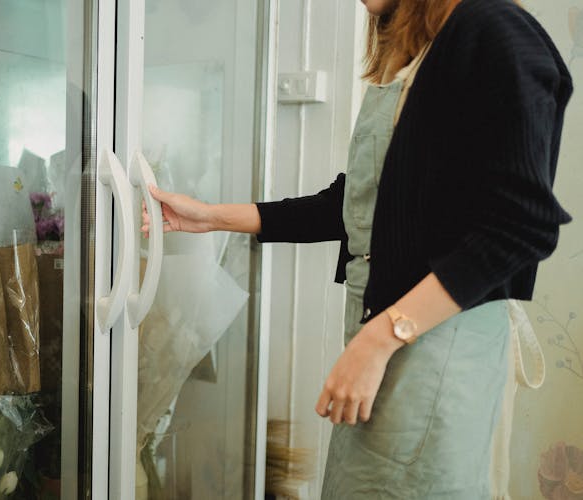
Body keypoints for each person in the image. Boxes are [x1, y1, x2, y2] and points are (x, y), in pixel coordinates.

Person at [141, 0, 573, 497]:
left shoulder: (493, 29)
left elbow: (522, 227)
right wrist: (211, 217)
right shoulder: (421, 56)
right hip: (392, 339)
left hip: (433, 350)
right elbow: (353, 205)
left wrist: (380, 338)